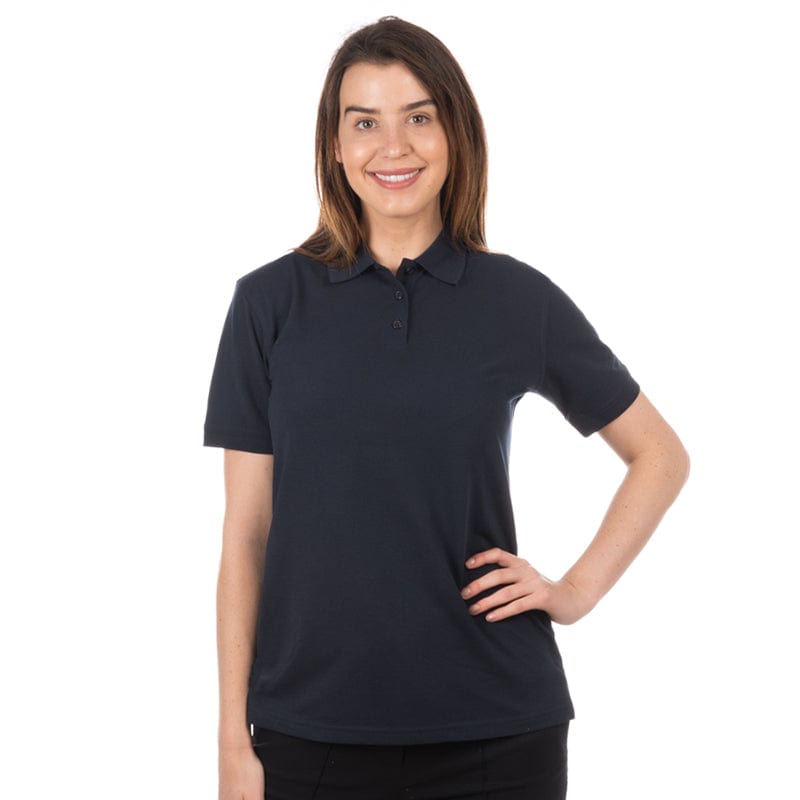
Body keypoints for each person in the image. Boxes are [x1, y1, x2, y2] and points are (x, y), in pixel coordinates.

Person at [204, 15, 690, 800]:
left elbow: (660, 455)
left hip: (497, 734)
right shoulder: (268, 304)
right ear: (335, 146)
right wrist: (233, 739)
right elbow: (245, 535)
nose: (392, 147)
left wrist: (573, 591)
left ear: (455, 134)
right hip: (307, 733)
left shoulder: (517, 300)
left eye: (418, 117)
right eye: (365, 122)